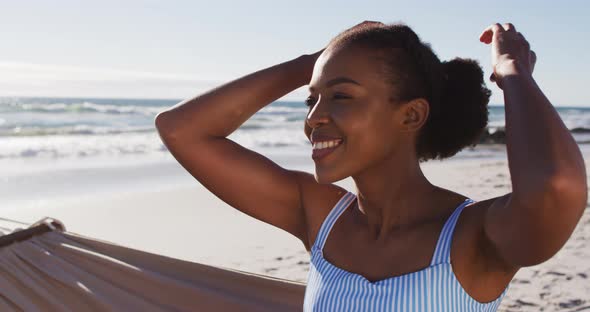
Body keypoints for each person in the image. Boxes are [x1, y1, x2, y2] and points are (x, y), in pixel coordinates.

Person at [154, 21, 587, 311]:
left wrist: (513, 72)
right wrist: (318, 62)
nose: (314, 117)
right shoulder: (321, 216)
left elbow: (556, 185)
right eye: (312, 99)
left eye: (340, 96)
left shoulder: (475, 237)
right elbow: (180, 130)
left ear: (411, 115)